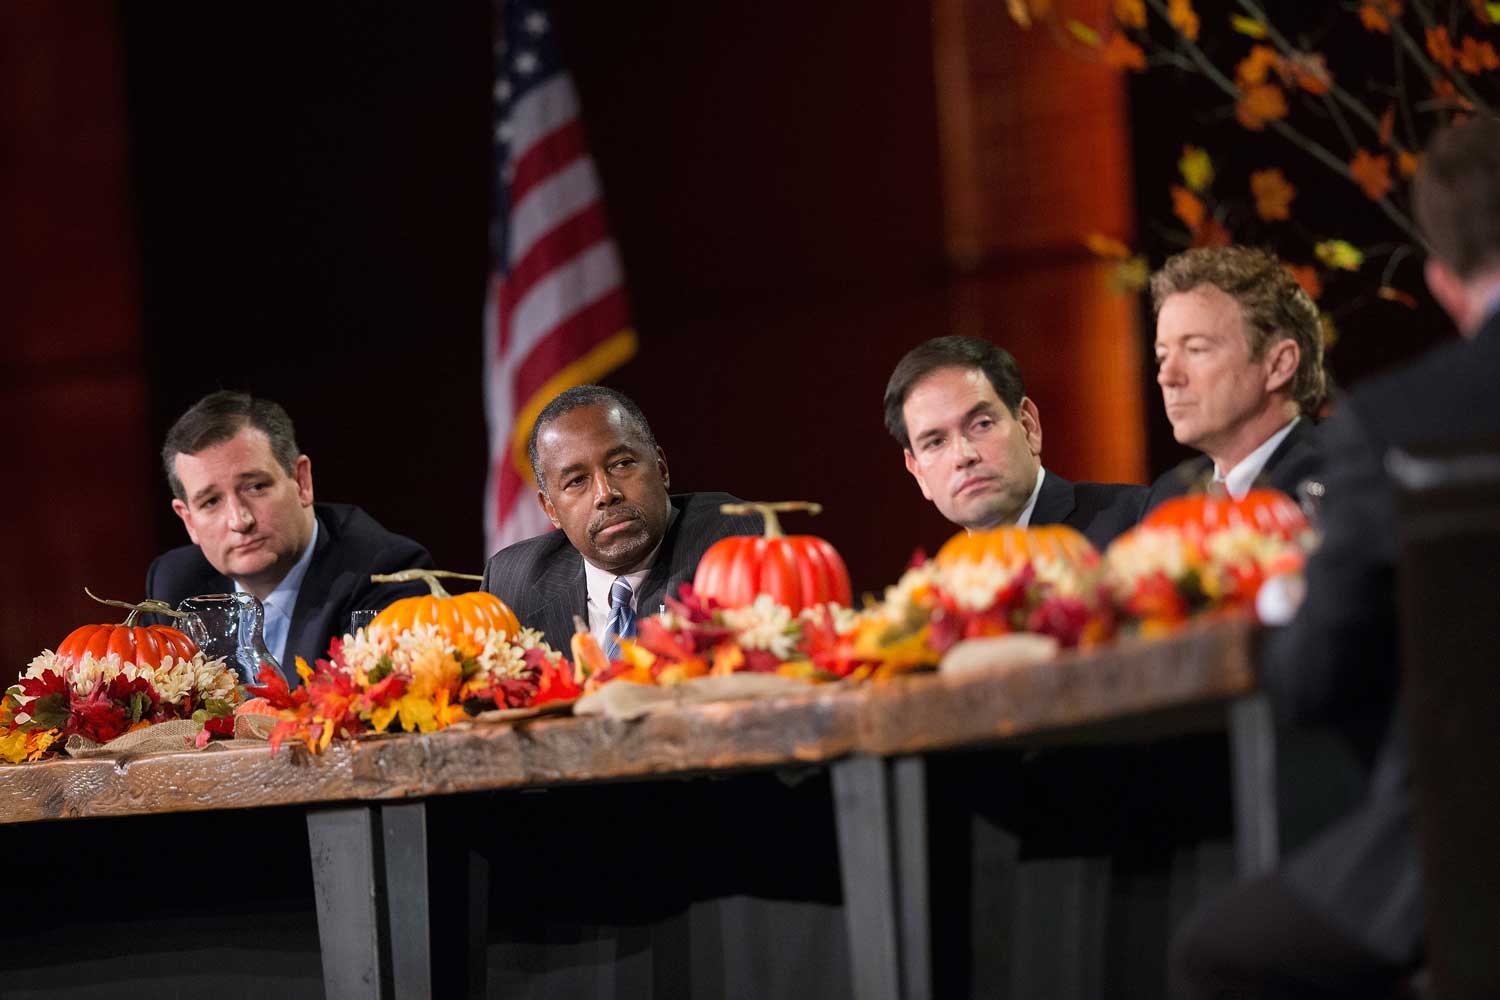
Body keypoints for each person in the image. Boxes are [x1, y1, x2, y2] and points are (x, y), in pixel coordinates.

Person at [1172, 115, 1500, 999]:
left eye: (1194, 349)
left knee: (1220, 954)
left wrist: (1284, 610)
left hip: (1466, 864)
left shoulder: (1396, 426)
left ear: (1441, 280)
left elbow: (1319, 678)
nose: (1169, 373)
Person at [147, 391, 432, 682]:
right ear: (188, 520)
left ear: (301, 481)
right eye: (211, 502)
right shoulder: (173, 587)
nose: (239, 520)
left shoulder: (384, 572)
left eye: (256, 487)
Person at [482, 385, 759, 654]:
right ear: (551, 509)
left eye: (622, 464)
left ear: (661, 469)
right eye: (577, 481)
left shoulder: (731, 542)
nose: (605, 494)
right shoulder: (511, 583)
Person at [883, 335, 1147, 549]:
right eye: (936, 442)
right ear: (918, 471)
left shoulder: (1135, 524)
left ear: (1028, 425)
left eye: (981, 424)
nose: (963, 456)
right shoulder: (934, 597)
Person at [1147, 245, 1327, 507]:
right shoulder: (1169, 495)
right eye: (1162, 357)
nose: (1167, 377)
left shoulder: (1346, 480)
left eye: (1196, 349)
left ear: (1279, 364)